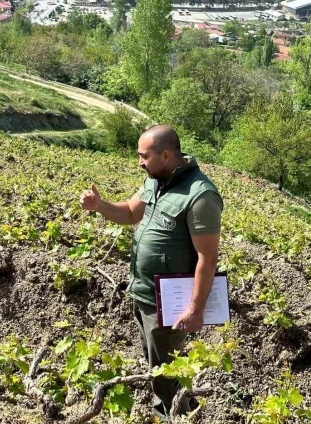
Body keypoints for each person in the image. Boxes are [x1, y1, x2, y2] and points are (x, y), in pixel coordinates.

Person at [79, 125, 222, 420]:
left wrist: (195, 310)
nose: (140, 162)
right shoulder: (155, 181)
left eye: (144, 156)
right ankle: (176, 411)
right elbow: (130, 213)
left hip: (169, 306)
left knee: (167, 375)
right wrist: (99, 205)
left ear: (166, 155)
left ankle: (176, 416)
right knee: (156, 366)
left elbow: (208, 258)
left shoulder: (200, 195)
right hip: (144, 294)